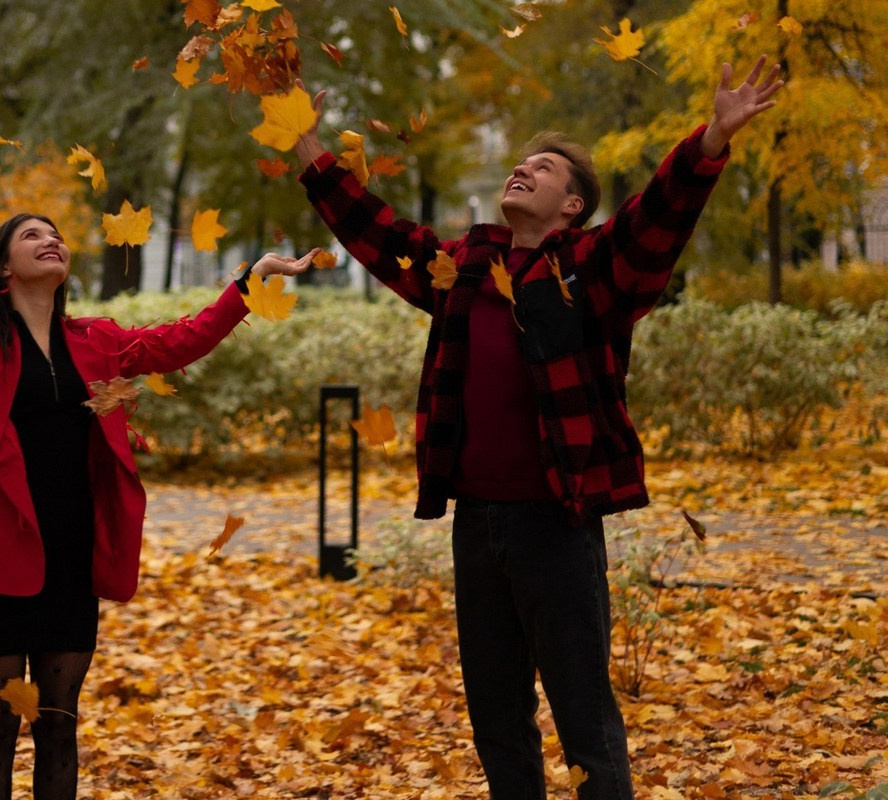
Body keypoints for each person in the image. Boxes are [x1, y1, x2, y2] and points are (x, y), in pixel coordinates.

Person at [293, 58, 783, 800]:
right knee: (496, 719)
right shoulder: (465, 266)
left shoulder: (592, 270)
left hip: (557, 526)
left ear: (572, 204)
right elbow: (377, 233)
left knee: (583, 718)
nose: (522, 170)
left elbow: (657, 219)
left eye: (543, 168)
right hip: (476, 525)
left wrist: (711, 139)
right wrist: (304, 142)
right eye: (520, 163)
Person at [0, 180, 319, 800]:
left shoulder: (97, 340)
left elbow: (183, 339)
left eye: (56, 234)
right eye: (32, 235)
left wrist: (251, 282)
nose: (51, 240)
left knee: (59, 726)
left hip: (70, 556)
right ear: (3, 265)